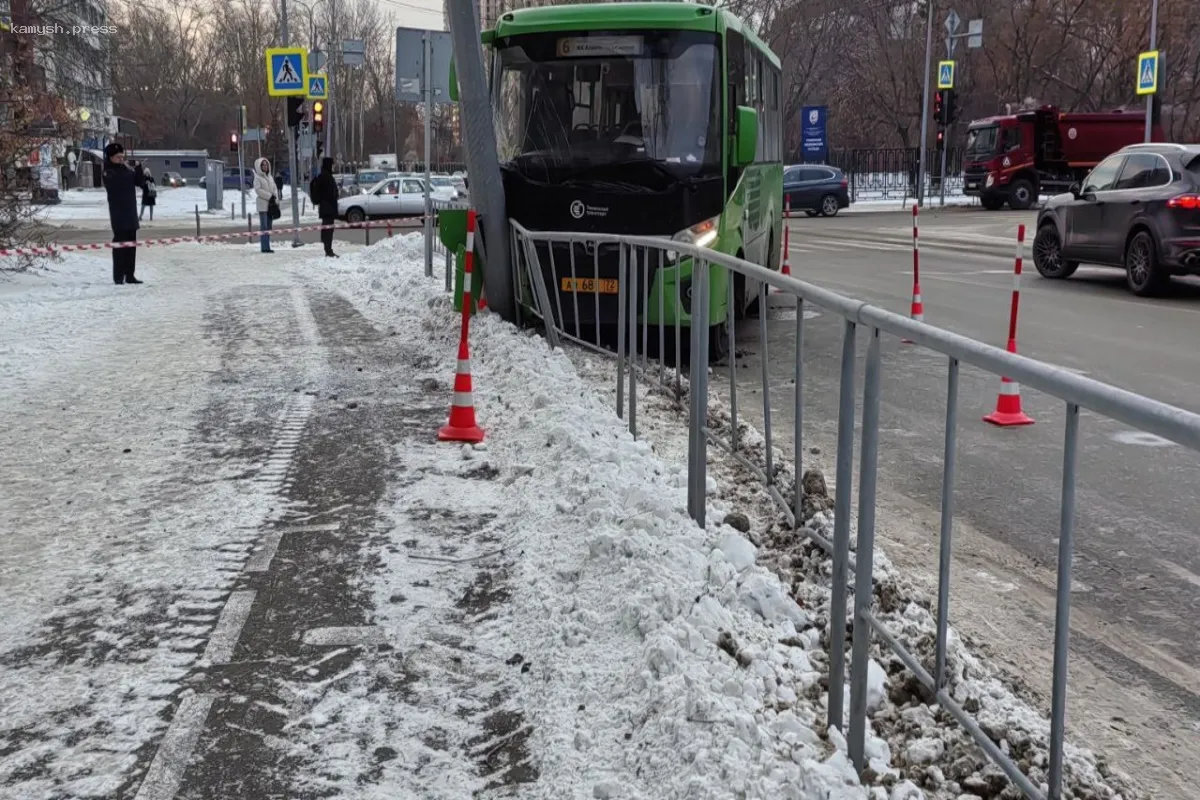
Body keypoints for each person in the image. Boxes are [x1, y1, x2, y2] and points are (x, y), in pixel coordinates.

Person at [103, 142, 146, 285]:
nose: (121, 159)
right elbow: (118, 181)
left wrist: (138, 168)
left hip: (130, 213)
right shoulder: (108, 172)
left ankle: (130, 274)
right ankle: (118, 275)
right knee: (120, 245)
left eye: (122, 156)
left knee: (131, 246)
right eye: (118, 157)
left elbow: (140, 182)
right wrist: (129, 169)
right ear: (110, 158)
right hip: (118, 215)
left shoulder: (127, 170)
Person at [309, 156, 339, 258]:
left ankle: (328, 249)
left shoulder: (327, 176)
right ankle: (328, 250)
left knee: (328, 229)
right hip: (327, 208)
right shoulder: (325, 177)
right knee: (328, 230)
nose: (333, 167)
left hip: (328, 207)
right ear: (328, 165)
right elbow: (324, 193)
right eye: (332, 165)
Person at [253, 157, 278, 253]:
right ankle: (264, 247)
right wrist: (269, 196)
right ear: (259, 166)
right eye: (263, 165)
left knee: (269, 227)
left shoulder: (270, 177)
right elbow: (258, 190)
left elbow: (275, 188)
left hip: (271, 206)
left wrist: (275, 196)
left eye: (266, 164)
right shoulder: (257, 178)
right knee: (264, 227)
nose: (265, 166)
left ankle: (267, 246)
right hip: (263, 206)